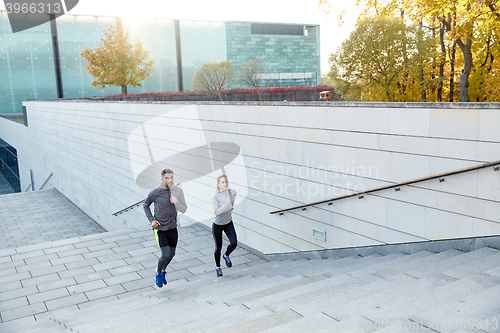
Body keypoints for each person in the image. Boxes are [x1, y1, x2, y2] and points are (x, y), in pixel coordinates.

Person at [143, 168, 187, 288]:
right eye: (167, 178)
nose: (170, 180)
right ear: (162, 179)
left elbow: (184, 209)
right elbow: (146, 205)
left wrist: (176, 202)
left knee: (172, 254)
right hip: (160, 229)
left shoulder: (178, 191)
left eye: (171, 177)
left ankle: (163, 271)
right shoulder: (155, 192)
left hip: (173, 227)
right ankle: (157, 273)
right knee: (165, 254)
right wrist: (151, 220)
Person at [212, 174, 238, 277]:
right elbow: (216, 212)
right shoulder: (215, 196)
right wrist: (227, 204)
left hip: (228, 222)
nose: (225, 184)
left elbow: (235, 194)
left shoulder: (231, 192)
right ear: (218, 184)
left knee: (234, 243)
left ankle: (226, 255)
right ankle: (218, 267)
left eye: (226, 181)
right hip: (218, 225)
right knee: (218, 247)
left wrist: (232, 205)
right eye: (223, 182)